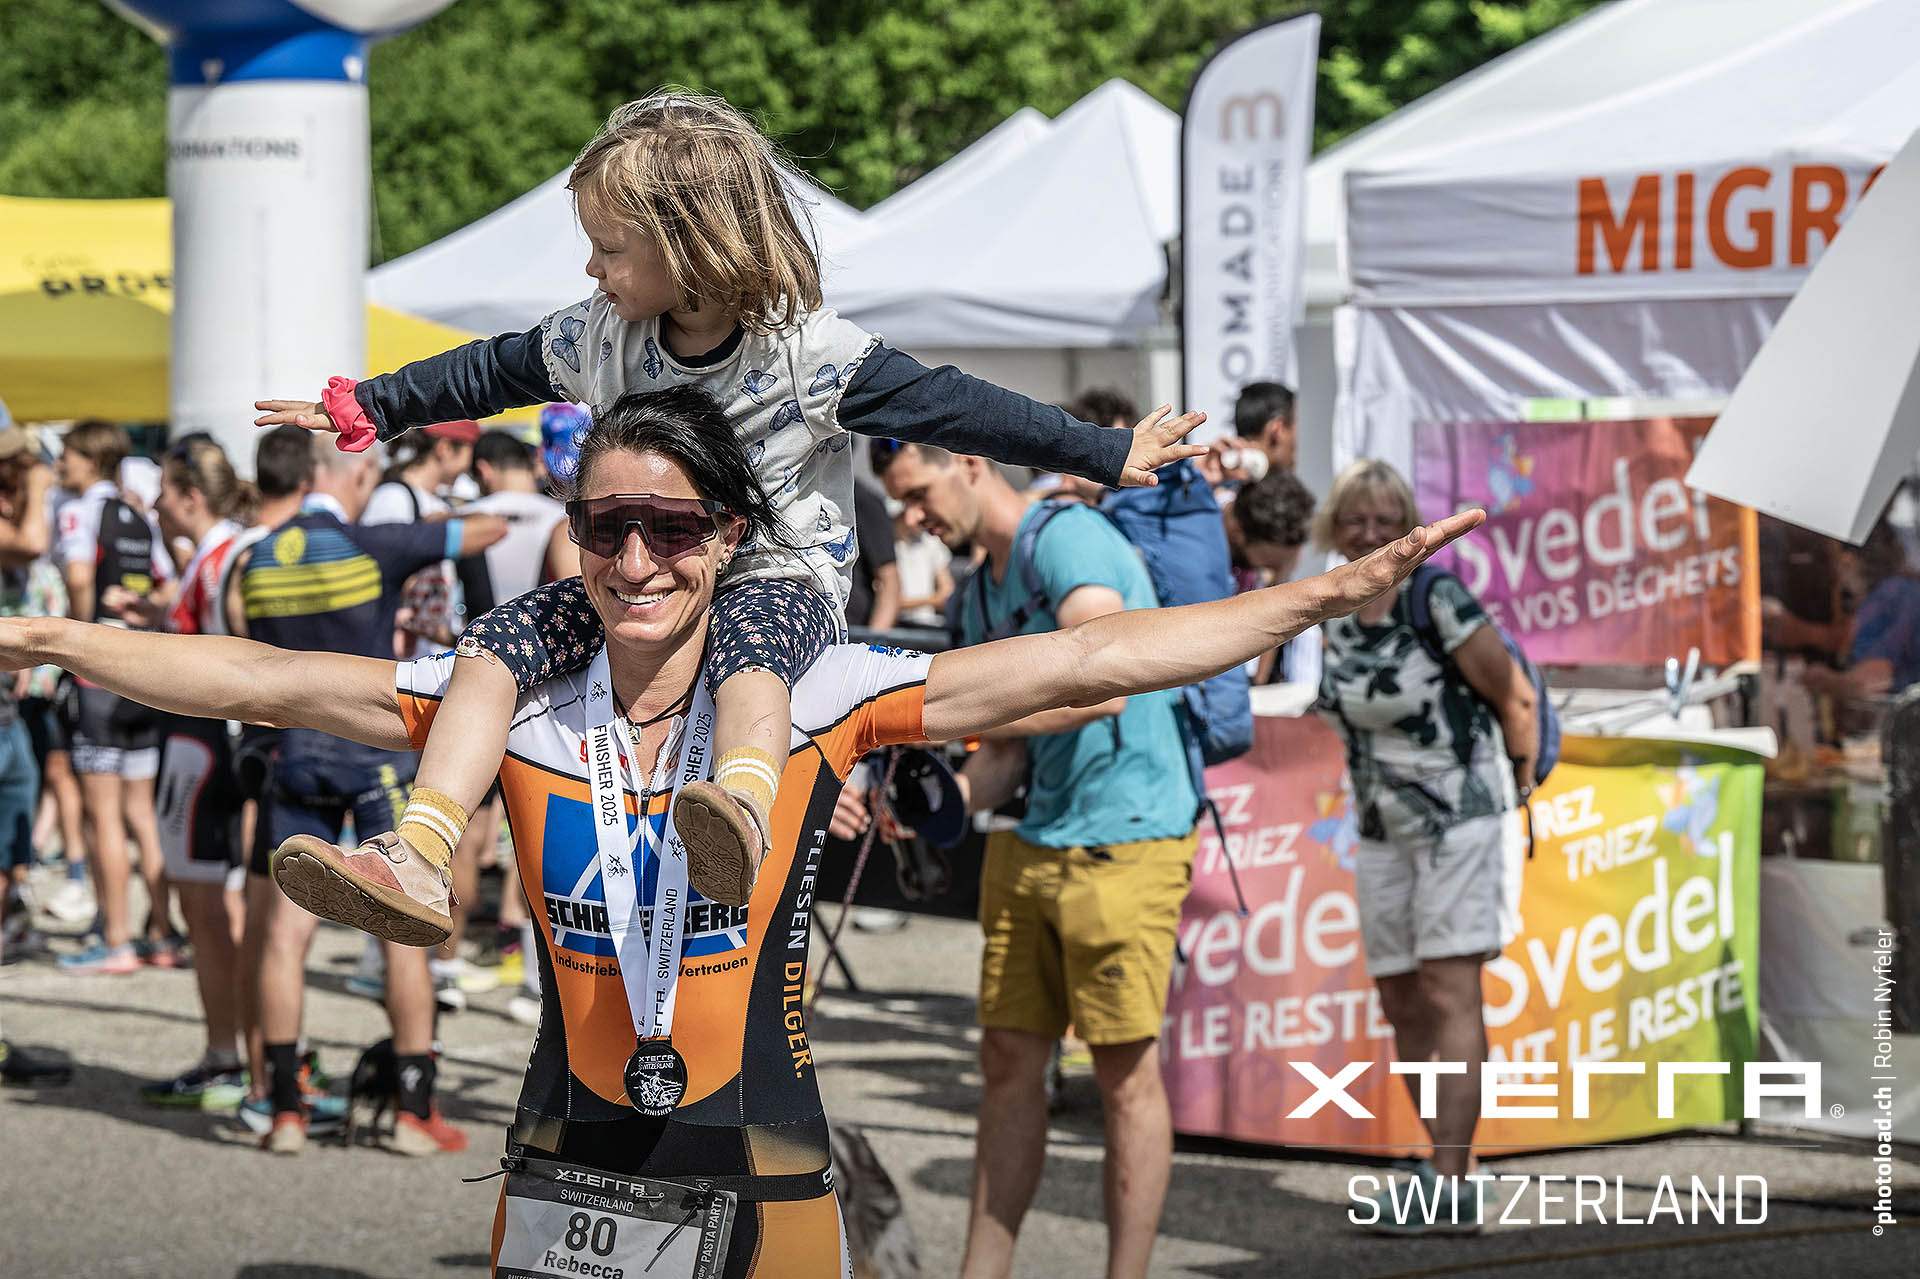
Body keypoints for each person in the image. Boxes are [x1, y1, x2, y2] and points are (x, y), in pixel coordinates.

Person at [0, 385, 1482, 1275]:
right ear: (575, 538)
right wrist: (50, 636)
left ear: (724, 537)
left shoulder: (815, 686)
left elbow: (1085, 658)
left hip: (759, 1169)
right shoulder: (509, 697)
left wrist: (1312, 598)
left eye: (672, 529)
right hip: (562, 1164)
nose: (637, 559)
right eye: (607, 528)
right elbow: (257, 677)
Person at [253, 89, 1208, 950]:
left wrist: (1103, 452)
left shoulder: (810, 357)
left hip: (777, 575)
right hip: (640, 568)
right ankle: (422, 852)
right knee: (496, 642)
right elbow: (488, 370)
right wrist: (372, 405)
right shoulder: (599, 335)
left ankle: (740, 809)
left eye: (609, 246)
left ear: (686, 243)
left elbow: (957, 408)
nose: (590, 265)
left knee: (751, 646)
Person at [875, 438, 1200, 1279]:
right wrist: (932, 806)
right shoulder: (977, 590)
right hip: (1035, 831)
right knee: (1007, 1061)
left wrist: (956, 714)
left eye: (917, 493)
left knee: (1123, 1073)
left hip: (1128, 831)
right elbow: (1001, 757)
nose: (912, 516)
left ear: (970, 464)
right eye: (900, 503)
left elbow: (1106, 682)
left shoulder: (1066, 536)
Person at [225, 433, 505, 1154]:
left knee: (284, 935)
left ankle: (285, 1111)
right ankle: (412, 1112)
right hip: (369, 744)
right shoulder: (371, 543)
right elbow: (488, 528)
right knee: (403, 928)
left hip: (291, 747)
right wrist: (428, 530)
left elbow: (242, 645)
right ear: (357, 475)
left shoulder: (257, 555)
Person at [1311, 459, 1537, 1234]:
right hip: (1380, 827)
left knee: (1449, 989)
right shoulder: (1334, 601)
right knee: (1400, 995)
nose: (1370, 533)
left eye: (1386, 518)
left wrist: (1519, 794)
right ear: (1335, 525)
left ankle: (1452, 1176)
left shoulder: (1435, 596)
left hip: (1461, 821)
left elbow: (1514, 695)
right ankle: (1443, 1161)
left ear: (1408, 524)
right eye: (1356, 519)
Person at [52, 419, 177, 975]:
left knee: (102, 815)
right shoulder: (137, 514)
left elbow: (80, 577)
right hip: (143, 667)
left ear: (92, 459)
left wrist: (77, 640)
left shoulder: (80, 511)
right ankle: (162, 933)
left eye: (68, 455)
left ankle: (118, 940)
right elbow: (166, 583)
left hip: (99, 671)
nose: (60, 465)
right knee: (141, 813)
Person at [1224, 467, 1317, 686]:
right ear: (1238, 534)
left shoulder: (1255, 541)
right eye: (1268, 564)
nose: (1271, 573)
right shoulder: (1201, 555)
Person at [889, 495, 952, 630]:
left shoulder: (932, 543)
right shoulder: (884, 544)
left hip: (925, 625)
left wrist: (901, 604)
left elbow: (947, 592)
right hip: (892, 625)